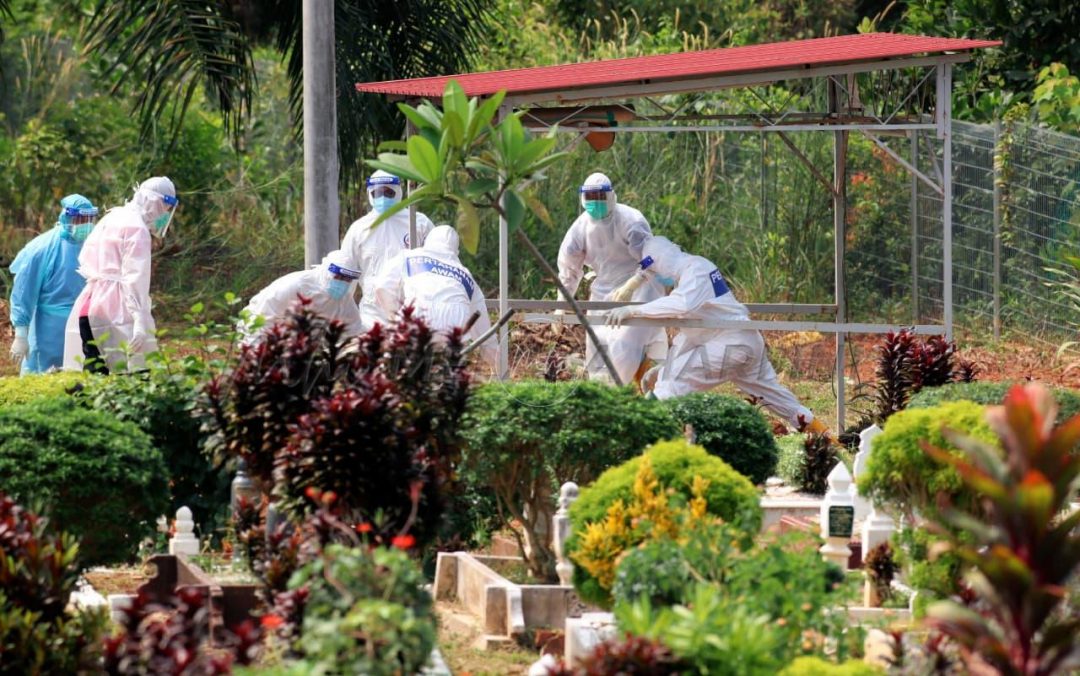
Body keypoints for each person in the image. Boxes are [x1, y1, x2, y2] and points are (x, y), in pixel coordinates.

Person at [606, 236, 827, 433]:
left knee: (674, 384)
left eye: (654, 271)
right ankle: (830, 442)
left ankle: (635, 436)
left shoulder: (696, 269)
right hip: (743, 342)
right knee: (779, 400)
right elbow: (690, 336)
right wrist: (665, 368)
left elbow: (681, 305)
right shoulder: (690, 277)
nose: (657, 277)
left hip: (731, 344)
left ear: (661, 263)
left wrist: (635, 310)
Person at [556, 172, 667, 385]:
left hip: (641, 288)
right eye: (590, 197)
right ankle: (601, 400)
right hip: (604, 290)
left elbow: (650, 260)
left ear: (611, 196)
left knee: (624, 345)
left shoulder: (631, 221)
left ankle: (619, 394)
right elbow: (569, 269)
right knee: (597, 344)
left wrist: (632, 284)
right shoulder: (580, 228)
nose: (595, 201)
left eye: (600, 195)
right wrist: (562, 305)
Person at [63, 177, 178, 373]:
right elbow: (135, 277)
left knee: (94, 382)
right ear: (154, 201)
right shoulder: (138, 229)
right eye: (165, 206)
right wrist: (140, 320)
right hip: (118, 313)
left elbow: (86, 257)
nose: (165, 213)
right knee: (132, 378)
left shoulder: (113, 217)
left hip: (88, 308)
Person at [372, 225, 497, 369]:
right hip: (455, 327)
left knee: (396, 367)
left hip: (418, 316)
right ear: (456, 251)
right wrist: (503, 375)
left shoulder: (409, 256)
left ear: (427, 241)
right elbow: (485, 334)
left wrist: (396, 320)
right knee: (445, 374)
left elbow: (381, 287)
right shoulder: (465, 274)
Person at [8, 194, 99, 374]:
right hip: (47, 329)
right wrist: (21, 333)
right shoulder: (42, 248)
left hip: (83, 326)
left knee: (77, 379)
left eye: (89, 219)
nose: (85, 224)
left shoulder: (93, 245)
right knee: (42, 377)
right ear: (67, 217)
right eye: (80, 218)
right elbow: (24, 291)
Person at [341, 170, 435, 329]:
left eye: (388, 192)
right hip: (372, 315)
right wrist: (342, 310)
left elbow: (437, 260)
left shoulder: (419, 223)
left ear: (398, 192)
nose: (383, 197)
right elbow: (346, 272)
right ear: (370, 193)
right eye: (378, 192)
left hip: (413, 309)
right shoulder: (359, 229)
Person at [239, 249, 365, 344]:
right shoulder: (295, 285)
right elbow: (262, 318)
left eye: (347, 279)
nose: (342, 283)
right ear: (327, 271)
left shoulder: (343, 300)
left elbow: (354, 331)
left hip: (301, 346)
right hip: (263, 334)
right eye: (338, 277)